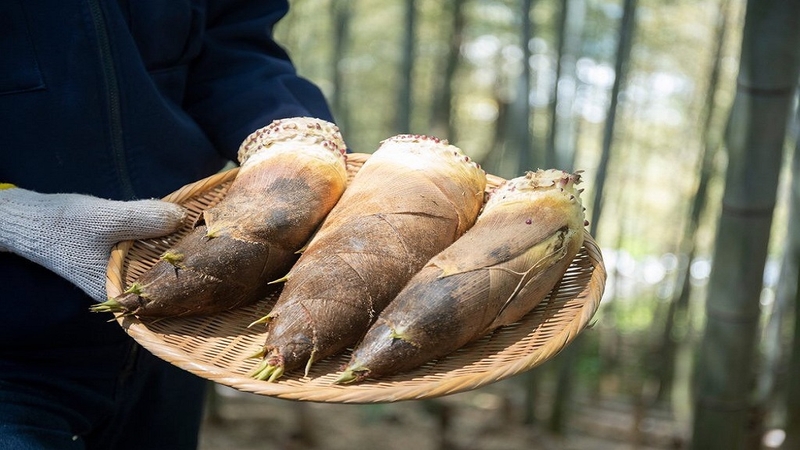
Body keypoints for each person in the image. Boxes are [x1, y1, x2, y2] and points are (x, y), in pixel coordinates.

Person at [0, 1, 336, 448]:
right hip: (13, 352)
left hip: (184, 329)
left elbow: (230, 46)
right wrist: (13, 217)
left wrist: (286, 131)